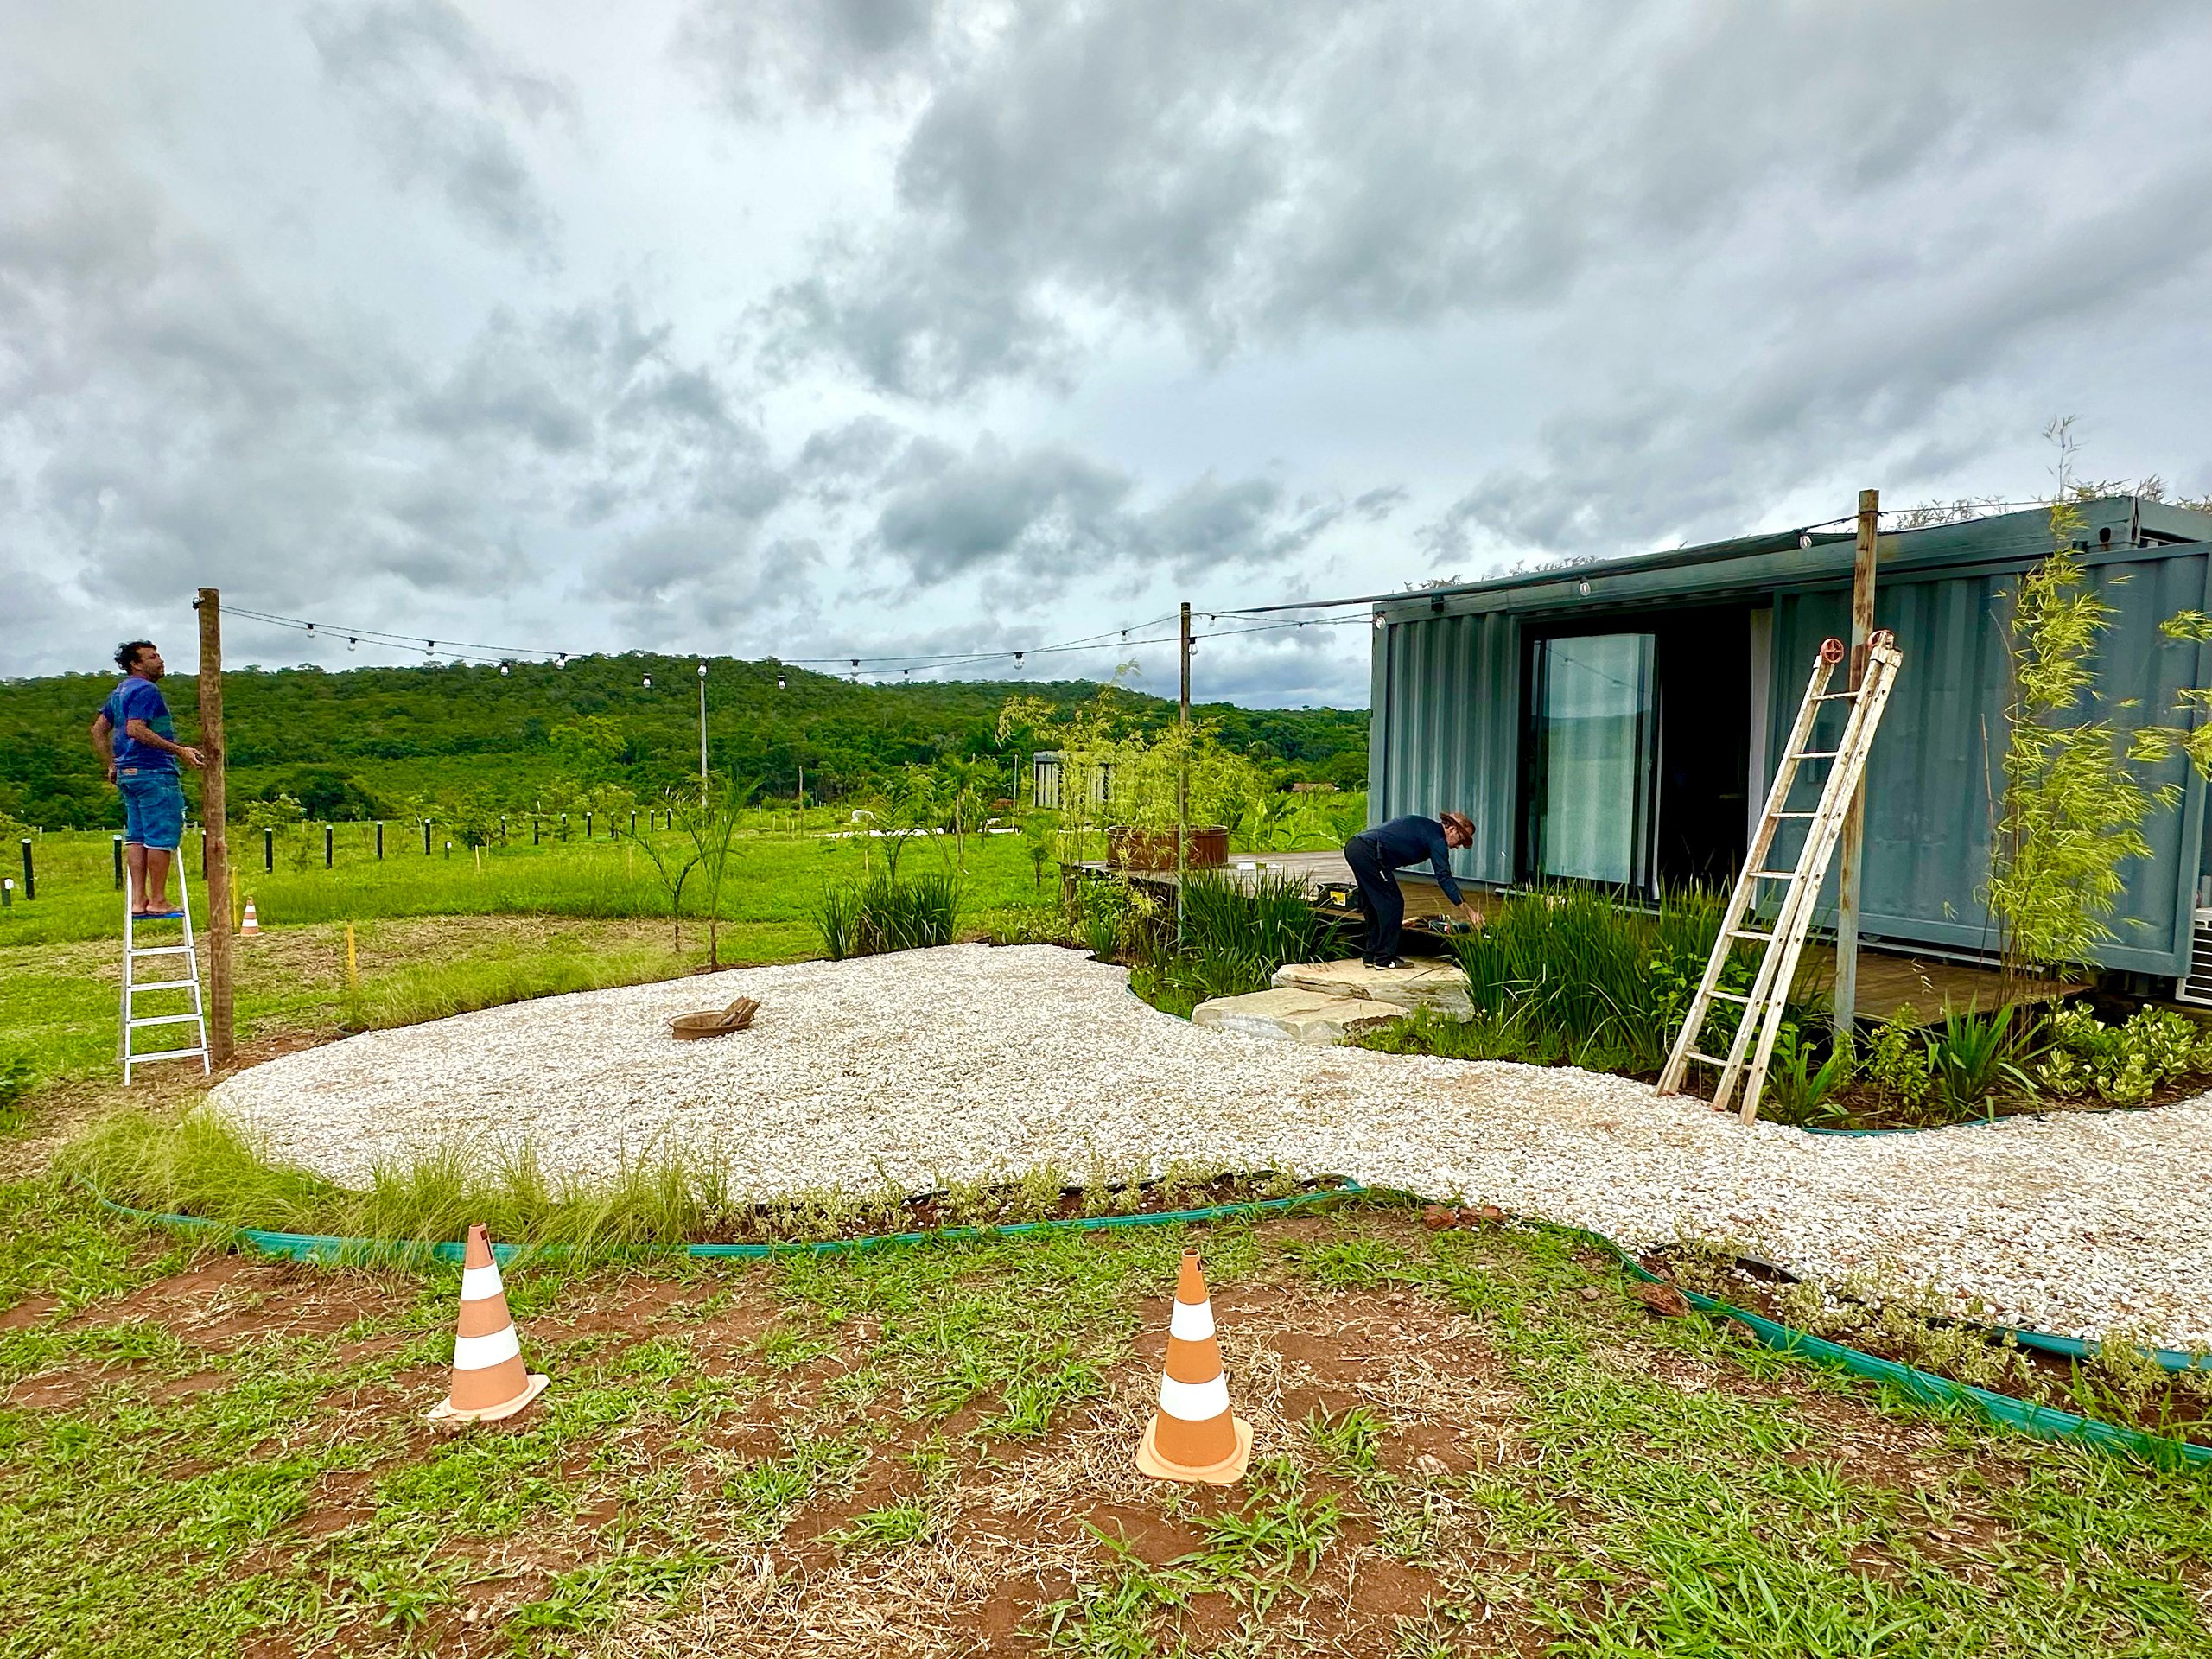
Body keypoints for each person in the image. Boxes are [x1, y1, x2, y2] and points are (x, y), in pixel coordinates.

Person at [91, 640, 203, 920]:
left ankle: (139, 900)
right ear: (136, 664)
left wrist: (112, 764)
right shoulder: (146, 690)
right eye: (153, 657)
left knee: (137, 837)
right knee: (161, 836)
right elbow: (135, 729)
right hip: (154, 772)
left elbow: (97, 730)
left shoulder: (120, 691)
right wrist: (180, 750)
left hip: (129, 774)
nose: (160, 660)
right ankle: (159, 900)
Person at [1344, 811, 1481, 969]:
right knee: (1393, 904)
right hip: (1370, 853)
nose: (1457, 846)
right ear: (1452, 830)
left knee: (1373, 903)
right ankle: (1384, 959)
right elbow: (1444, 877)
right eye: (1460, 840)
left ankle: (1371, 955)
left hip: (1356, 846)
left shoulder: (1426, 827)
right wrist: (1470, 912)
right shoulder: (1437, 838)